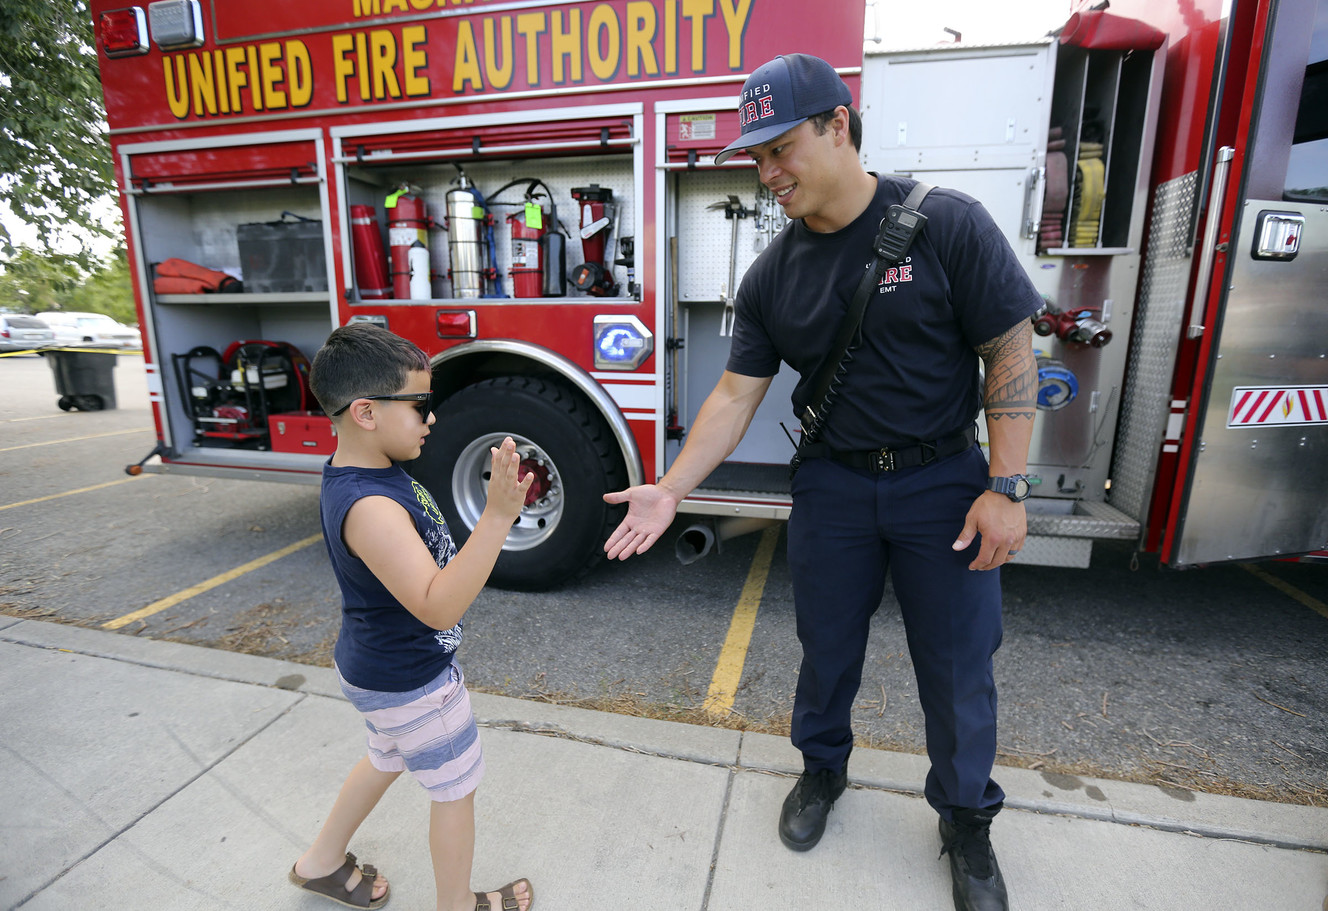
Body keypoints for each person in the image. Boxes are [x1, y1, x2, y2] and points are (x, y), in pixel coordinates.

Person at [603, 54, 1040, 911]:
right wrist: (672, 486)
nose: (769, 173)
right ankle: (821, 773)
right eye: (755, 158)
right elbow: (734, 395)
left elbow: (1010, 347)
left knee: (957, 668)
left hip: (942, 484)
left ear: (839, 124)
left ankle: (966, 823)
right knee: (826, 649)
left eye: (781, 148)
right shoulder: (773, 274)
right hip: (833, 490)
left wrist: (1007, 486)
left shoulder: (946, 224)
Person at [294, 323, 536, 911]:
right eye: (420, 404)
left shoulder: (370, 473)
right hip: (411, 679)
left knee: (386, 757)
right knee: (455, 791)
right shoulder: (371, 505)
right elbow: (438, 604)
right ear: (367, 412)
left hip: (377, 668)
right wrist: (498, 518)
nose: (431, 418)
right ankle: (456, 905)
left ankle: (319, 863)